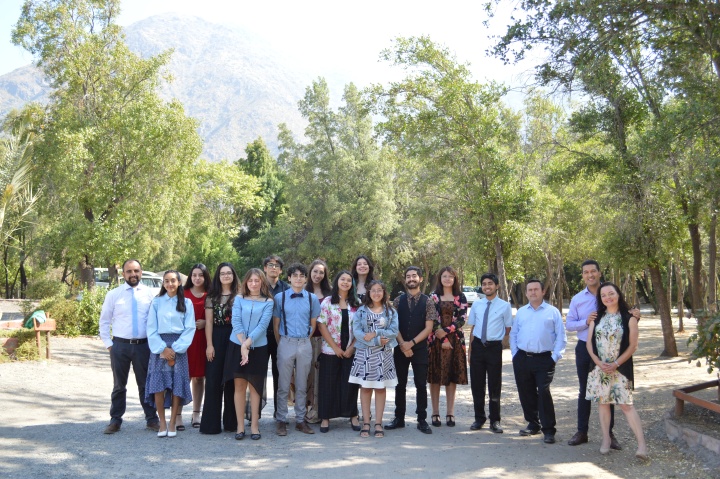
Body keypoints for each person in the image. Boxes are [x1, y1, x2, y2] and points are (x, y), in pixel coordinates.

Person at [566, 260, 640, 449]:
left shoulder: (610, 292)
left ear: (599, 273)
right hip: (585, 348)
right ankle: (582, 431)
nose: (589, 275)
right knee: (585, 390)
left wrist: (637, 315)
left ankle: (609, 435)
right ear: (582, 275)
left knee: (610, 392)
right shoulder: (577, 299)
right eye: (585, 272)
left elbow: (628, 315)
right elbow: (569, 325)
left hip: (612, 352)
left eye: (593, 271)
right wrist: (585, 321)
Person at [586, 282, 647, 459]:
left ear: (618, 294)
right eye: (603, 295)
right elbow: (589, 343)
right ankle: (606, 439)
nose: (607, 297)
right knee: (603, 403)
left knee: (626, 405)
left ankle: (642, 446)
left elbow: (633, 346)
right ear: (600, 298)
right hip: (599, 369)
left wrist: (616, 364)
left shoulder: (629, 318)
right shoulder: (596, 317)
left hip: (620, 369)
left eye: (611, 293)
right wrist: (598, 362)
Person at [100, 259, 160, 434]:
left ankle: (151, 419)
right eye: (129, 271)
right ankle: (115, 420)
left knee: (145, 384)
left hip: (143, 346)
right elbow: (104, 321)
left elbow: (155, 321)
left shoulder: (150, 294)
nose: (133, 274)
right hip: (120, 346)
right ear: (123, 274)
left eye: (136, 271)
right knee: (119, 385)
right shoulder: (114, 295)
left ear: (141, 272)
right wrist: (109, 345)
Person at [510, 279, 567, 444]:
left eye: (536, 289)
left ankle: (548, 430)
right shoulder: (521, 312)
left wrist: (554, 358)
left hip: (544, 359)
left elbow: (561, 337)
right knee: (525, 392)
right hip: (522, 358)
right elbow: (514, 334)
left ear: (543, 292)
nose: (533, 292)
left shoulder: (552, 311)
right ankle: (533, 424)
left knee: (543, 393)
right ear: (526, 293)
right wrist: (515, 354)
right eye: (530, 290)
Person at [144, 270, 196, 437]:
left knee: (176, 385)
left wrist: (176, 349)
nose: (170, 284)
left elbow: (190, 328)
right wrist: (162, 349)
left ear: (179, 282)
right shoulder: (157, 302)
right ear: (163, 283)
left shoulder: (186, 303)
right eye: (166, 281)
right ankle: (162, 423)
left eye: (173, 281)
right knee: (158, 385)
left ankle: (173, 422)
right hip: (159, 346)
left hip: (179, 347)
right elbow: (151, 328)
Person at [385, 266, 436, 434]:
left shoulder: (428, 301)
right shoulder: (398, 301)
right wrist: (402, 344)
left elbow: (429, 328)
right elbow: (394, 325)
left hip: (419, 348)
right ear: (405, 280)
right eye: (408, 276)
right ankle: (399, 418)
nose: (411, 279)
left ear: (420, 279)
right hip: (401, 348)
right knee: (400, 384)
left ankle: (422, 419)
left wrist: (411, 343)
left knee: (421, 384)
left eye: (414, 276)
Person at [224, 268, 274, 440]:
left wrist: (247, 344)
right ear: (245, 282)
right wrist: (242, 345)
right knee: (239, 387)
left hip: (258, 348)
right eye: (250, 280)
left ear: (262, 282)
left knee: (255, 387)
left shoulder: (268, 301)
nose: (254, 284)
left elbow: (262, 326)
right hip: (236, 345)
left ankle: (254, 426)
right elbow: (236, 321)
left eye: (257, 280)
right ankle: (240, 426)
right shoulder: (238, 298)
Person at [273, 263, 321, 436]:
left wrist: (304, 341)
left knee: (302, 384)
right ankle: (281, 420)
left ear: (305, 279)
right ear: (289, 278)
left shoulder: (312, 298)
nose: (298, 278)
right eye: (295, 275)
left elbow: (313, 323)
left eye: (302, 275)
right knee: (283, 384)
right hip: (286, 341)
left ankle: (300, 420)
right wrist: (282, 343)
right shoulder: (280, 298)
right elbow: (276, 324)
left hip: (304, 343)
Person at [350, 280, 399, 438]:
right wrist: (375, 341)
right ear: (368, 293)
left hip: (383, 355)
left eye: (380, 290)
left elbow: (393, 331)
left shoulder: (390, 311)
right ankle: (366, 422)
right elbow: (357, 332)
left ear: (384, 292)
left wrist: (377, 332)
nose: (376, 293)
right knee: (365, 388)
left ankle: (378, 423)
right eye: (373, 290)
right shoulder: (361, 311)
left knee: (380, 388)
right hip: (364, 354)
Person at [467, 273, 513, 433]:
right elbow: (472, 328)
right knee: (477, 385)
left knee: (494, 385)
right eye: (484, 284)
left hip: (493, 348)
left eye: (490, 284)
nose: (487, 286)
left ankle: (495, 421)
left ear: (497, 286)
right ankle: (479, 418)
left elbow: (508, 328)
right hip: (478, 347)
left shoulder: (504, 306)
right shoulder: (477, 305)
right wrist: (470, 350)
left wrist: (499, 342)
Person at [317, 270, 361, 432]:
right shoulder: (328, 301)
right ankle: (326, 418)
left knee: (350, 384)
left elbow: (360, 328)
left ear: (352, 284)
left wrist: (352, 347)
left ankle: (353, 415)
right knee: (328, 384)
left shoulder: (356, 303)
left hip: (351, 350)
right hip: (330, 350)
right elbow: (321, 324)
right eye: (342, 279)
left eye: (349, 280)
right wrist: (335, 348)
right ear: (337, 282)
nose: (345, 282)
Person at [200, 263, 239, 434]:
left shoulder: (240, 295)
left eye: (229, 273)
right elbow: (208, 322)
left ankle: (231, 423)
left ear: (233, 275)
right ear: (218, 276)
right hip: (216, 337)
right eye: (222, 273)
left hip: (235, 337)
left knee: (232, 380)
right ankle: (211, 425)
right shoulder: (212, 296)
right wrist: (209, 345)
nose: (225, 276)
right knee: (214, 380)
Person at [428, 266, 469, 429]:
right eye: (444, 276)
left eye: (450, 276)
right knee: (435, 376)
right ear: (440, 278)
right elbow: (431, 317)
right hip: (435, 341)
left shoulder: (461, 296)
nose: (447, 279)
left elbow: (462, 319)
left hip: (455, 341)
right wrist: (441, 336)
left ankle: (450, 412)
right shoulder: (433, 297)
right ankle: (435, 412)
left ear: (455, 279)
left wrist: (445, 332)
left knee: (452, 376)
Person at [182, 263, 211, 429]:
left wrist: (206, 323)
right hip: (186, 340)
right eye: (194, 275)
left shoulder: (210, 295)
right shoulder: (183, 293)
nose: (197, 278)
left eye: (200, 275)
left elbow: (218, 317)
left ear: (205, 276)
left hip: (203, 339)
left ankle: (196, 413)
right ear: (190, 277)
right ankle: (177, 413)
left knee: (199, 377)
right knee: (184, 376)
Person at [304, 259, 332, 425]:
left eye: (321, 272)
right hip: (306, 338)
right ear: (310, 272)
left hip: (325, 339)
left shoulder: (330, 293)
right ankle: (307, 408)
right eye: (315, 271)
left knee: (321, 375)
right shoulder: (302, 291)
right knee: (307, 374)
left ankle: (320, 409)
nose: (318, 275)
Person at [263, 255, 289, 419]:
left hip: (281, 337)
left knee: (281, 375)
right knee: (258, 374)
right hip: (260, 337)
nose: (273, 268)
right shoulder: (257, 285)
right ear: (265, 268)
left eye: (277, 265)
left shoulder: (286, 288)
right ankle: (255, 412)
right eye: (270, 265)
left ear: (280, 270)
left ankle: (279, 412)